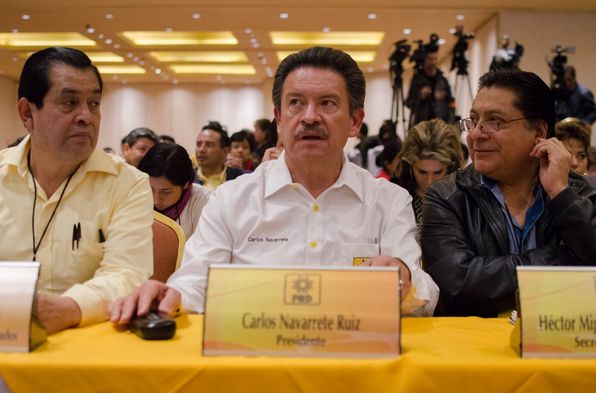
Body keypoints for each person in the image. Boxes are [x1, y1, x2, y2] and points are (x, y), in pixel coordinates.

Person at [109, 46, 439, 324]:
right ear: (279, 118)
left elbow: (425, 301)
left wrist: (404, 278)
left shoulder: (388, 201)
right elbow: (197, 281)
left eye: (327, 103)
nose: (310, 116)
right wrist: (171, 293)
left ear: (354, 121)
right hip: (255, 366)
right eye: (296, 103)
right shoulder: (230, 200)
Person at [0, 47, 153, 335]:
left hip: (87, 342)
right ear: (27, 112)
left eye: (93, 103)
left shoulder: (128, 184)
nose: (86, 116)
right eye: (69, 102)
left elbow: (127, 274)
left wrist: (69, 309)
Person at [420, 68, 596, 317]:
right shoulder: (447, 196)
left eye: (495, 121)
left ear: (538, 133)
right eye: (474, 120)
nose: (476, 133)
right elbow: (456, 287)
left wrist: (560, 193)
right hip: (477, 348)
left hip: (568, 342)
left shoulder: (585, 193)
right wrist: (561, 259)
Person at [391, 119, 464, 230]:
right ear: (410, 165)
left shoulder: (462, 199)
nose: (430, 181)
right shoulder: (394, 195)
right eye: (422, 172)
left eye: (438, 172)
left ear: (450, 167)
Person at [138, 143, 212, 240]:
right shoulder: (136, 197)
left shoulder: (205, 201)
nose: (156, 200)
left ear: (186, 183)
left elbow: (203, 249)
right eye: (150, 189)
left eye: (166, 192)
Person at [406, 44, 452, 128]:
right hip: (422, 126)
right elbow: (409, 103)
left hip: (440, 125)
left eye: (435, 58)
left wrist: (450, 124)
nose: (433, 62)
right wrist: (420, 97)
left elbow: (450, 103)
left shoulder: (443, 81)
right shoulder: (417, 81)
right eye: (430, 59)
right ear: (425, 60)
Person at [193, 121, 245, 190]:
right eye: (198, 144)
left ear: (225, 151)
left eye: (209, 145)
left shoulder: (241, 178)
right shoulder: (186, 179)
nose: (201, 150)